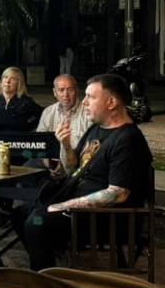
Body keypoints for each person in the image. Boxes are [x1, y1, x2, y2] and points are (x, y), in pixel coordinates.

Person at [13, 74, 152, 271]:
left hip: (108, 218)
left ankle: (46, 287)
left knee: (37, 224)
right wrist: (66, 146)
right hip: (82, 211)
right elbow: (73, 170)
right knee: (20, 215)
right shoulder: (97, 128)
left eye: (91, 97)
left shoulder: (127, 139)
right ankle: (56, 267)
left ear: (111, 102)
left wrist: (65, 205)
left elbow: (117, 194)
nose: (84, 102)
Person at [37, 74, 90, 150]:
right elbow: (40, 142)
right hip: (50, 159)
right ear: (55, 92)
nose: (66, 95)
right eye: (61, 90)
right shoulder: (48, 112)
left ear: (77, 91)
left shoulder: (88, 113)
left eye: (70, 90)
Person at [0, 67, 42, 132]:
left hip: (17, 139)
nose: (8, 81)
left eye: (13, 79)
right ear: (1, 81)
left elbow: (42, 114)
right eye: (5, 77)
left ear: (19, 83)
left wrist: (27, 128)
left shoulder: (26, 102)